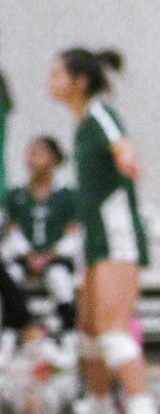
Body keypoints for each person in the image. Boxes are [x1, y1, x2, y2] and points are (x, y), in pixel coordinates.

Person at [46, 48, 160, 414]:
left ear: (80, 82)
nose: (52, 80)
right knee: (89, 332)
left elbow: (122, 143)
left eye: (58, 74)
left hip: (118, 239)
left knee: (115, 331)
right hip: (95, 240)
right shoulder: (81, 125)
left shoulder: (101, 113)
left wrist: (127, 157)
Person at [1, 136, 83, 367]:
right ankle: (9, 338)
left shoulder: (67, 196)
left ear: (54, 159)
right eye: (29, 153)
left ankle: (68, 339)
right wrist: (29, 255)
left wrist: (50, 255)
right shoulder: (17, 195)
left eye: (37, 153)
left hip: (55, 259)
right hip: (25, 258)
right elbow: (13, 230)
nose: (30, 159)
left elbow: (73, 233)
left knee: (59, 280)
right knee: (11, 278)